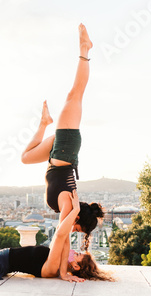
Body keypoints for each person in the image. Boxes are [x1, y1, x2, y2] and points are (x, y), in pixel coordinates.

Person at [21, 23, 103, 250]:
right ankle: (85, 50)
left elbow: (62, 236)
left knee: (25, 158)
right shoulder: (68, 206)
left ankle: (44, 123)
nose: (73, 230)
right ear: (78, 219)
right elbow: (61, 237)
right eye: (78, 228)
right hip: (65, 148)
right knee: (75, 94)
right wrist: (64, 271)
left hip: (57, 153)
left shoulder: (70, 207)